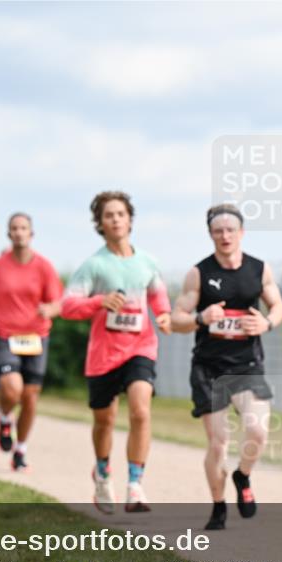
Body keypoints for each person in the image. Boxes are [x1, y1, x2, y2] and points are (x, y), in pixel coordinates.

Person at [170, 204, 282, 530]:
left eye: (230, 230)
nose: (224, 236)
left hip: (247, 365)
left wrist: (265, 322)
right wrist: (199, 318)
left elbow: (278, 306)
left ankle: (242, 475)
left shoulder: (259, 269)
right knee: (218, 441)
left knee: (258, 431)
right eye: (218, 230)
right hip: (209, 368)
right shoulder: (199, 273)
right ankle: (219, 505)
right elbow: (176, 319)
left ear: (241, 233)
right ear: (210, 235)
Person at [61, 191, 171, 514]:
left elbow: (159, 297)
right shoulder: (93, 266)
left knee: (140, 411)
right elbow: (67, 306)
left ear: (130, 220)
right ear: (100, 223)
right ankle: (102, 471)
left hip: (141, 347)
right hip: (104, 355)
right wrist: (99, 301)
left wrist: (163, 316)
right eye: (108, 215)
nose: (115, 220)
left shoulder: (148, 262)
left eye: (121, 214)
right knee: (104, 421)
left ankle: (135, 485)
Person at [0, 213, 63, 472]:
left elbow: (58, 302)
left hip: (37, 337)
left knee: (31, 398)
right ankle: (4, 417)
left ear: (31, 233)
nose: (19, 232)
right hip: (5, 335)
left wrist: (50, 310)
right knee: (12, 388)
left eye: (24, 228)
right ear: (9, 234)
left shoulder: (44, 267)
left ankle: (20, 449)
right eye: (14, 228)